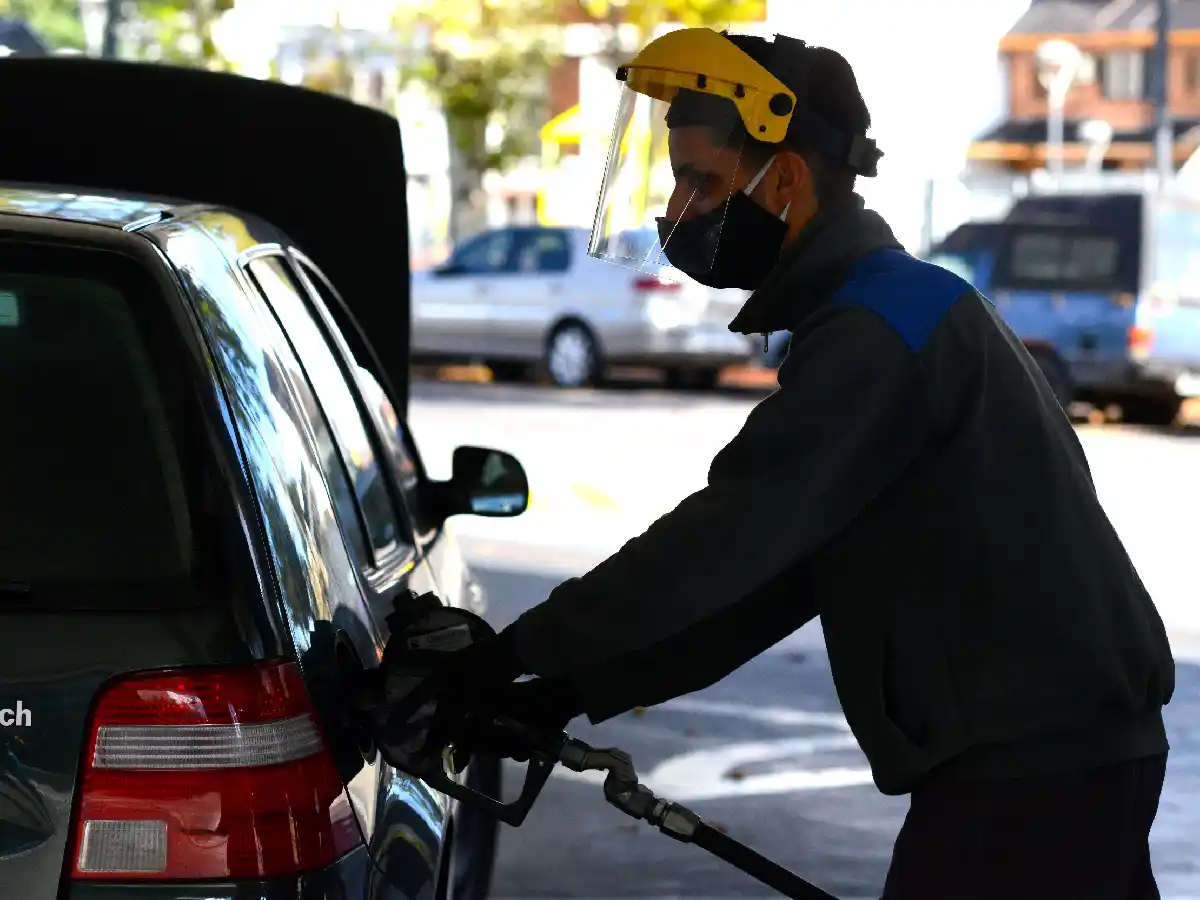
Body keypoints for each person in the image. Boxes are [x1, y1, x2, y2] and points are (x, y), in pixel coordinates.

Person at [381, 29, 1175, 900]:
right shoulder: (892, 310)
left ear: (786, 181)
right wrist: (563, 691)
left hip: (1031, 770)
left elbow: (727, 537)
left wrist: (511, 655)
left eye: (705, 182)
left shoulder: (877, 336)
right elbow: (775, 579)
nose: (680, 208)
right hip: (1054, 758)